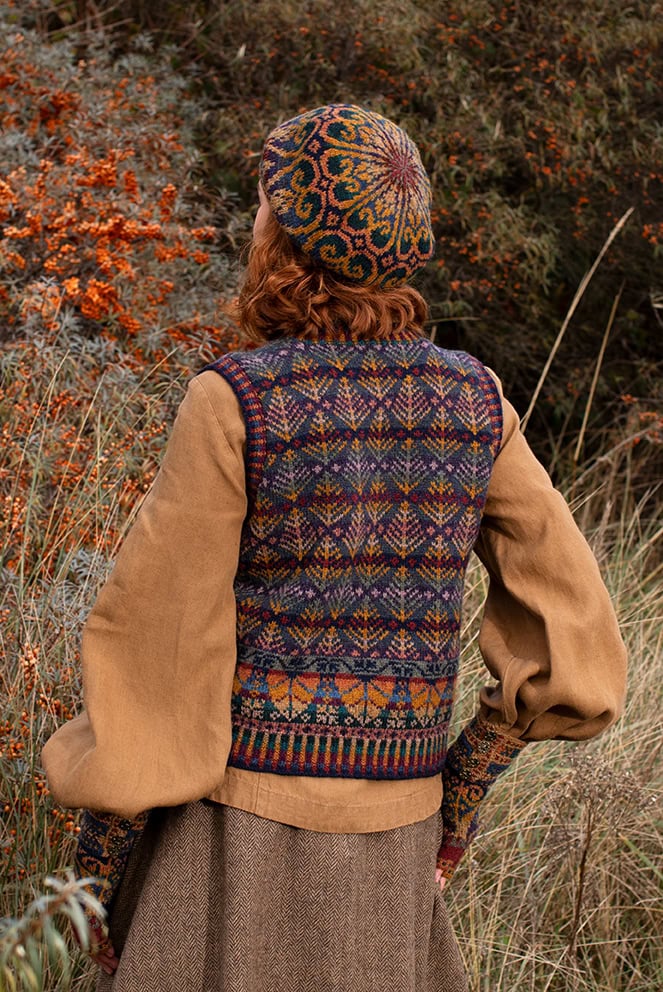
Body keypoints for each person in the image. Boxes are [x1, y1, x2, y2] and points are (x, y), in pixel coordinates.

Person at [42, 104, 627, 992]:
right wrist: (457, 798)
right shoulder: (473, 404)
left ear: (287, 236)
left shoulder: (234, 401)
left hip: (227, 848)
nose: (253, 218)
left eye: (266, 200)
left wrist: (93, 881)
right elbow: (576, 640)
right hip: (395, 850)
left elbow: (153, 655)